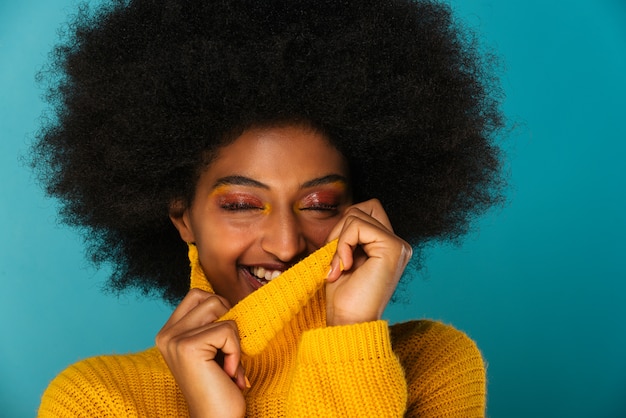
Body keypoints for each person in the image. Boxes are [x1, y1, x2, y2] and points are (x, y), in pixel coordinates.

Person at [32, 0, 505, 416]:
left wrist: (350, 336)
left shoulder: (433, 365)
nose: (284, 244)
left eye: (319, 204)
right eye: (241, 204)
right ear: (183, 217)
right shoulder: (97, 401)